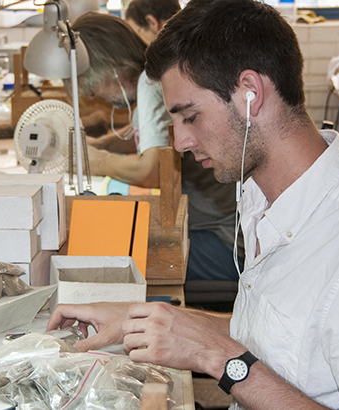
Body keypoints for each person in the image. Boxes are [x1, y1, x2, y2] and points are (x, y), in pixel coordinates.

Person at [48, 0, 339, 408]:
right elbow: (278, 337)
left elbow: (237, 355)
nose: (179, 142)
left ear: (251, 93)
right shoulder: (265, 198)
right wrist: (140, 320)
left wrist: (218, 355)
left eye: (190, 117)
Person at [72, 12, 242, 283]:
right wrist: (99, 144)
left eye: (92, 84)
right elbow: (149, 133)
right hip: (220, 230)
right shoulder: (157, 77)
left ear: (112, 65)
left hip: (226, 247)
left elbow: (152, 169)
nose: (92, 96)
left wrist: (93, 159)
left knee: (114, 254)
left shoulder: (149, 85)